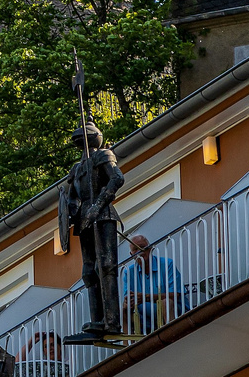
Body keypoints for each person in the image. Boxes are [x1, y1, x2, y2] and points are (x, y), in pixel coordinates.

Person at [61, 123, 125, 337]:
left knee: (105, 265)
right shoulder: (77, 169)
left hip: (103, 213)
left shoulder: (103, 155)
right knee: (89, 271)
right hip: (84, 219)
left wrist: (98, 204)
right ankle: (97, 320)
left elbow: (117, 178)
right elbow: (71, 198)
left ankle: (112, 321)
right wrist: (71, 211)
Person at [119, 233, 183, 333]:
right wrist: (129, 301)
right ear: (131, 255)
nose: (139, 251)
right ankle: (128, 345)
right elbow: (129, 296)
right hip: (145, 319)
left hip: (174, 312)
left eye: (142, 247)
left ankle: (171, 334)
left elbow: (176, 294)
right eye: (135, 249)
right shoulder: (129, 272)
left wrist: (147, 297)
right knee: (124, 309)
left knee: (166, 302)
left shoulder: (167, 264)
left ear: (150, 248)